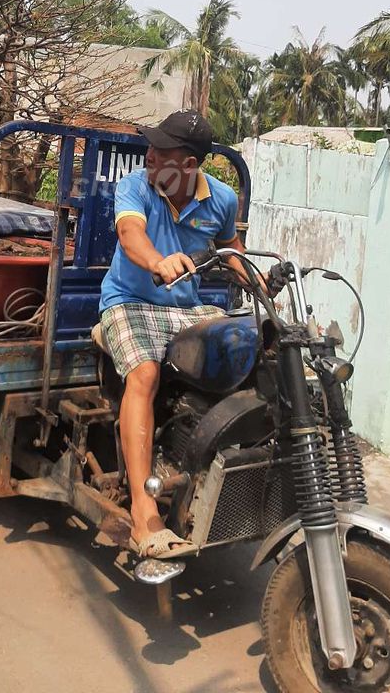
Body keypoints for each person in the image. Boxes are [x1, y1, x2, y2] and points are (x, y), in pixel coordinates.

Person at [99, 110, 251, 559]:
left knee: (244, 355)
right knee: (144, 374)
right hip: (128, 301)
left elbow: (230, 248)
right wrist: (157, 261)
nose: (148, 156)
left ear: (188, 163)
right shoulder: (136, 186)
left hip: (188, 308)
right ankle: (145, 513)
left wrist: (253, 278)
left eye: (159, 150)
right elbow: (131, 235)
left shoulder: (221, 199)